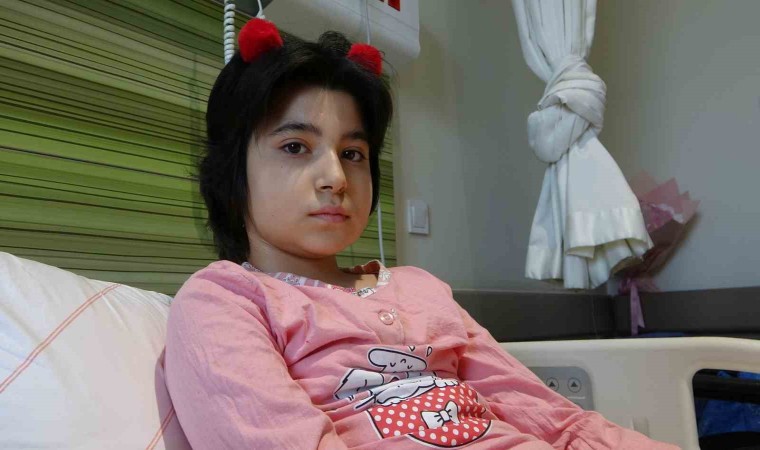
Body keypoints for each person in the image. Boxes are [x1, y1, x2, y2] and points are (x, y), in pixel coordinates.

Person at [163, 18, 679, 450]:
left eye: (352, 153)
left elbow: (552, 418)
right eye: (295, 146)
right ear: (231, 173)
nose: (335, 178)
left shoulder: (421, 289)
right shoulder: (227, 300)